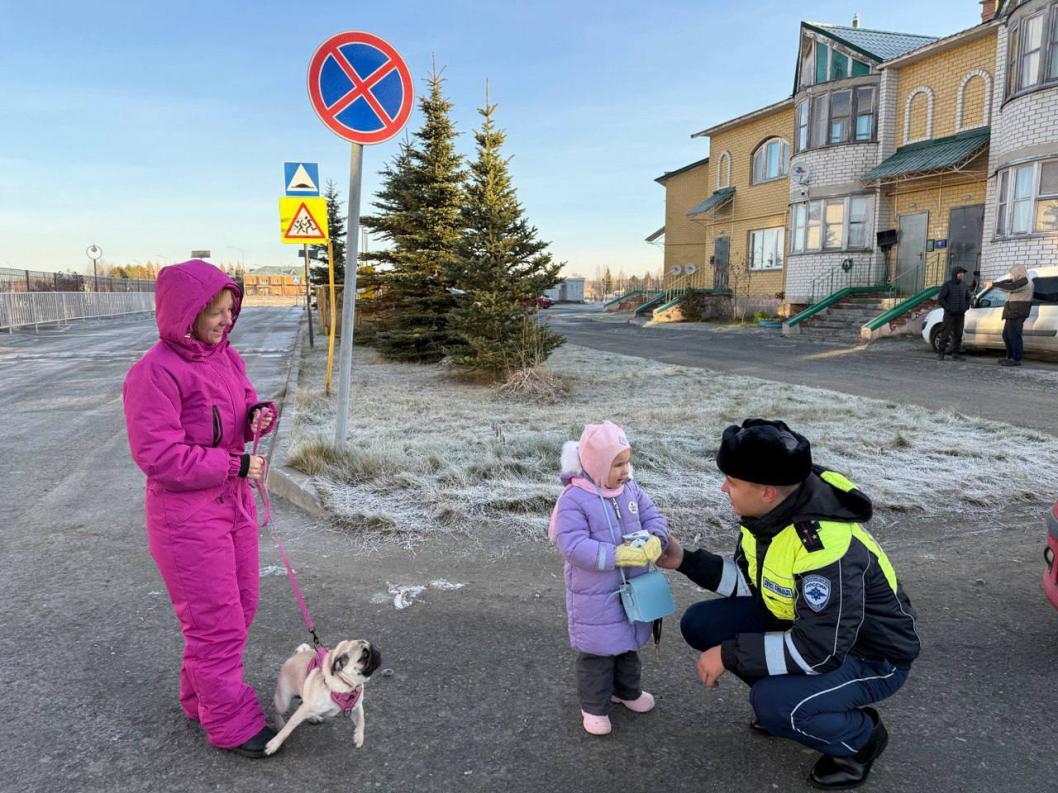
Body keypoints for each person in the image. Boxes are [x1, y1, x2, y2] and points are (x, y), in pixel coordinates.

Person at [658, 419, 919, 790]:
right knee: (701, 623)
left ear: (766, 491)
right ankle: (793, 699)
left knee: (775, 704)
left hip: (871, 655)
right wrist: (685, 559)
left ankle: (859, 740)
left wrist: (731, 655)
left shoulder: (823, 547)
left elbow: (818, 650)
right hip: (812, 631)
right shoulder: (770, 514)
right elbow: (756, 584)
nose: (723, 488)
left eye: (732, 482)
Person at [123, 260, 279, 758]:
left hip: (232, 507)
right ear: (186, 312)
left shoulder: (226, 358)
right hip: (185, 519)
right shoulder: (153, 373)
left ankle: (200, 698)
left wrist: (258, 414)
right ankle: (229, 722)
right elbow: (159, 457)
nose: (223, 320)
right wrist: (234, 464)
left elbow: (243, 406)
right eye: (215, 312)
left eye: (229, 311)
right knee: (217, 623)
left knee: (242, 606)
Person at [548, 421, 669, 736]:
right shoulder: (575, 498)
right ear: (596, 464)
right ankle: (594, 707)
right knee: (599, 654)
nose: (625, 470)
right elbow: (572, 544)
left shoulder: (630, 489)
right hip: (595, 595)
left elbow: (653, 515)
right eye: (617, 464)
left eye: (627, 461)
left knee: (629, 644)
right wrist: (616, 555)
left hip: (633, 589)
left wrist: (658, 538)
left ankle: (627, 692)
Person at [992, 264, 1034, 367]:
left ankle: (1016, 358)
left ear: (1018, 273)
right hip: (1013, 312)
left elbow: (1012, 287)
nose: (1011, 277)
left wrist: (994, 285)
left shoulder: (1025, 281)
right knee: (1006, 335)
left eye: (1012, 274)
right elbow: (1009, 282)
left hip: (1017, 312)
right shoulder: (1022, 280)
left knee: (1014, 336)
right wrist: (996, 283)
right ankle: (1010, 357)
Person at [936, 266, 974, 360]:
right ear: (955, 274)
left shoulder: (964, 285)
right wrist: (949, 308)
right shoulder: (947, 285)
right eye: (960, 273)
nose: (961, 275)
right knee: (945, 333)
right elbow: (941, 299)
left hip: (960, 315)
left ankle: (955, 354)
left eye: (962, 273)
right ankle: (941, 353)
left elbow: (968, 297)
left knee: (958, 334)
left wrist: (965, 307)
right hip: (949, 315)